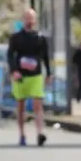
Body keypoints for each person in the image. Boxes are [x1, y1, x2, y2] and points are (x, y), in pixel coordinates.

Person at [6, 9, 53, 146]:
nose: (29, 21)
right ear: (23, 20)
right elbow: (10, 55)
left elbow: (45, 57)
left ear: (35, 20)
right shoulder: (15, 38)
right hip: (20, 76)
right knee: (21, 106)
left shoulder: (40, 37)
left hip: (36, 75)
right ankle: (22, 134)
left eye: (31, 18)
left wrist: (49, 73)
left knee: (38, 105)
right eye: (27, 18)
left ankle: (40, 133)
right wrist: (14, 70)